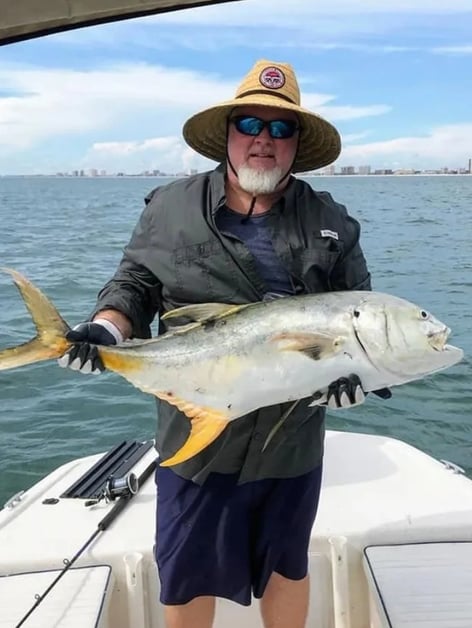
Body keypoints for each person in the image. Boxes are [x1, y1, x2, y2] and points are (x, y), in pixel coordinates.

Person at [58, 59, 390, 628]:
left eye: (282, 129)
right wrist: (108, 329)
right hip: (196, 437)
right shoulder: (171, 207)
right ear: (229, 135)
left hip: (292, 440)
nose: (265, 140)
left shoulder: (331, 221)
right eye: (251, 125)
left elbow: (355, 313)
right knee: (187, 575)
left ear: (297, 144)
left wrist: (362, 378)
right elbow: (135, 283)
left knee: (288, 568)